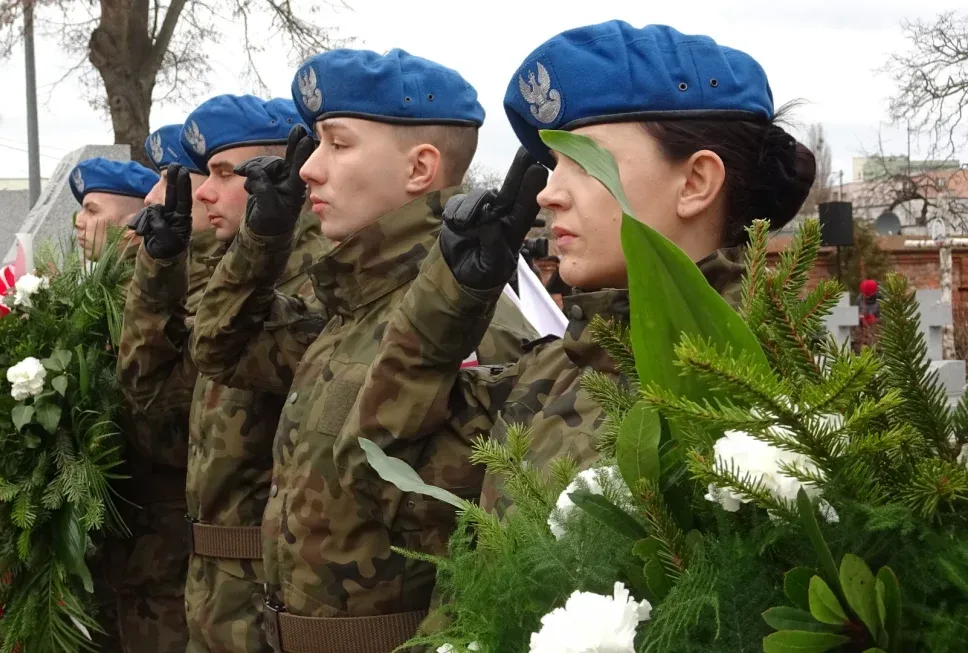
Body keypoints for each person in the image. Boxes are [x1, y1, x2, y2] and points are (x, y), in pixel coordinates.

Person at [345, 19, 816, 534]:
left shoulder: (784, 398)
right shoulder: (558, 370)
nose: (548, 193)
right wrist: (448, 301)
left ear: (696, 183)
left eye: (585, 162)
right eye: (554, 163)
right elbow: (377, 479)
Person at [190, 49, 539, 652]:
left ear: (420, 168)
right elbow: (221, 347)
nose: (308, 169)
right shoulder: (356, 306)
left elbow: (474, 557)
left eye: (338, 143)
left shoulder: (473, 327)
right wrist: (261, 238)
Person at [121, 95, 330, 653]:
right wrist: (158, 271)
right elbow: (156, 407)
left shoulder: (315, 281)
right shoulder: (235, 280)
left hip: (268, 591)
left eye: (222, 173)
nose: (203, 193)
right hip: (215, 587)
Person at [69, 156, 190, 653]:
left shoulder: (161, 298)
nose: (78, 222)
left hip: (159, 525)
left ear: (132, 226)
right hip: (116, 525)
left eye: (93, 210)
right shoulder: (87, 298)